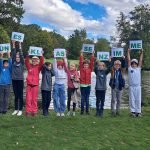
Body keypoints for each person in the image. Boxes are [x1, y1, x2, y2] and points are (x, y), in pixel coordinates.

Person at [127, 48, 143, 117]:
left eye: (135, 63)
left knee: (138, 99)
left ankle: (138, 112)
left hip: (138, 86)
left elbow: (140, 60)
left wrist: (142, 52)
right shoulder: (130, 69)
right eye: (132, 63)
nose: (134, 64)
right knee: (132, 99)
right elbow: (128, 60)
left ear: (137, 64)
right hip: (131, 86)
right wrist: (128, 52)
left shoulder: (138, 69)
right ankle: (133, 112)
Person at [11, 40, 24, 116]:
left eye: (18, 57)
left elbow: (22, 55)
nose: (17, 58)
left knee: (20, 95)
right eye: (16, 57)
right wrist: (13, 44)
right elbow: (13, 53)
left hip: (20, 80)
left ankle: (21, 110)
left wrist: (19, 45)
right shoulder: (13, 62)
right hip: (14, 80)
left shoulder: (22, 63)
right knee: (16, 95)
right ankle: (16, 109)